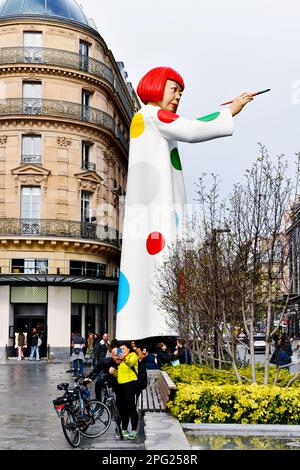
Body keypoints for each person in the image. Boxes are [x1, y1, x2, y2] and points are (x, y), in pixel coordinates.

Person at [116, 66, 253, 340]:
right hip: (157, 211)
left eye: (180, 92)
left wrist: (224, 114)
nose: (178, 96)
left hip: (151, 209)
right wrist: (232, 110)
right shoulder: (152, 115)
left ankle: (151, 328)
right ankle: (161, 330)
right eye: (174, 89)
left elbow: (186, 124)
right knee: (162, 262)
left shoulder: (150, 118)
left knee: (153, 266)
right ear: (156, 86)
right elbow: (190, 129)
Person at [109, 342, 139, 440]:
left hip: (130, 384)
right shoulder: (121, 361)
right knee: (122, 408)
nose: (122, 351)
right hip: (121, 386)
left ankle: (134, 430)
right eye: (120, 349)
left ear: (129, 349)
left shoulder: (132, 355)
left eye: (124, 349)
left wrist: (123, 358)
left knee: (131, 407)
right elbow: (119, 375)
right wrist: (113, 372)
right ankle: (124, 429)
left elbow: (130, 363)